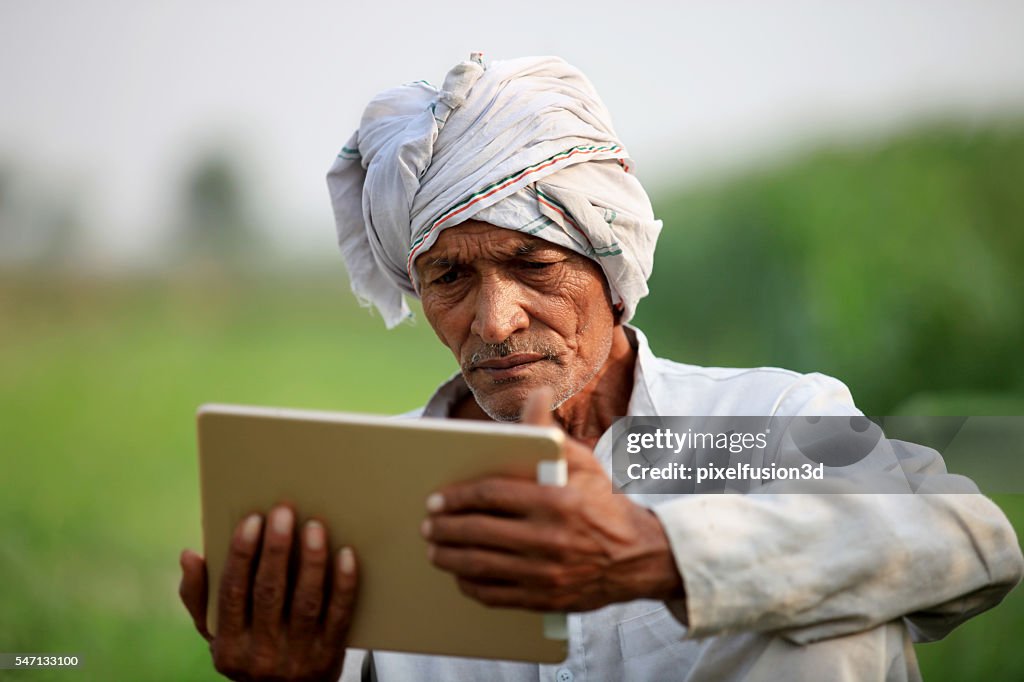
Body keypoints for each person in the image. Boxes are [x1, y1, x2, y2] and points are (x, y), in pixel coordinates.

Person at [179, 54, 1024, 681]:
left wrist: (656, 554)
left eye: (533, 265)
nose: (494, 321)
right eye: (449, 276)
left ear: (607, 261)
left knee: (833, 620)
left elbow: (975, 543)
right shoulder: (381, 490)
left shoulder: (741, 431)